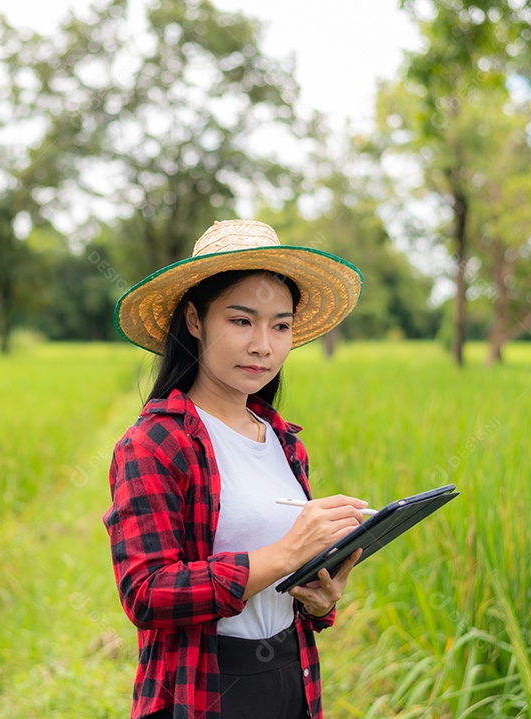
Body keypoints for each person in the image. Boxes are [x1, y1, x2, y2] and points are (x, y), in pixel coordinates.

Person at [103, 219, 367, 719]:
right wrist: (286, 552)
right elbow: (147, 593)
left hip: (291, 677)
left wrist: (318, 597)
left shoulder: (284, 443)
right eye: (242, 321)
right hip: (204, 687)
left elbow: (280, 590)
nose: (263, 345)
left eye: (281, 325)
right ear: (195, 321)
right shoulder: (156, 443)